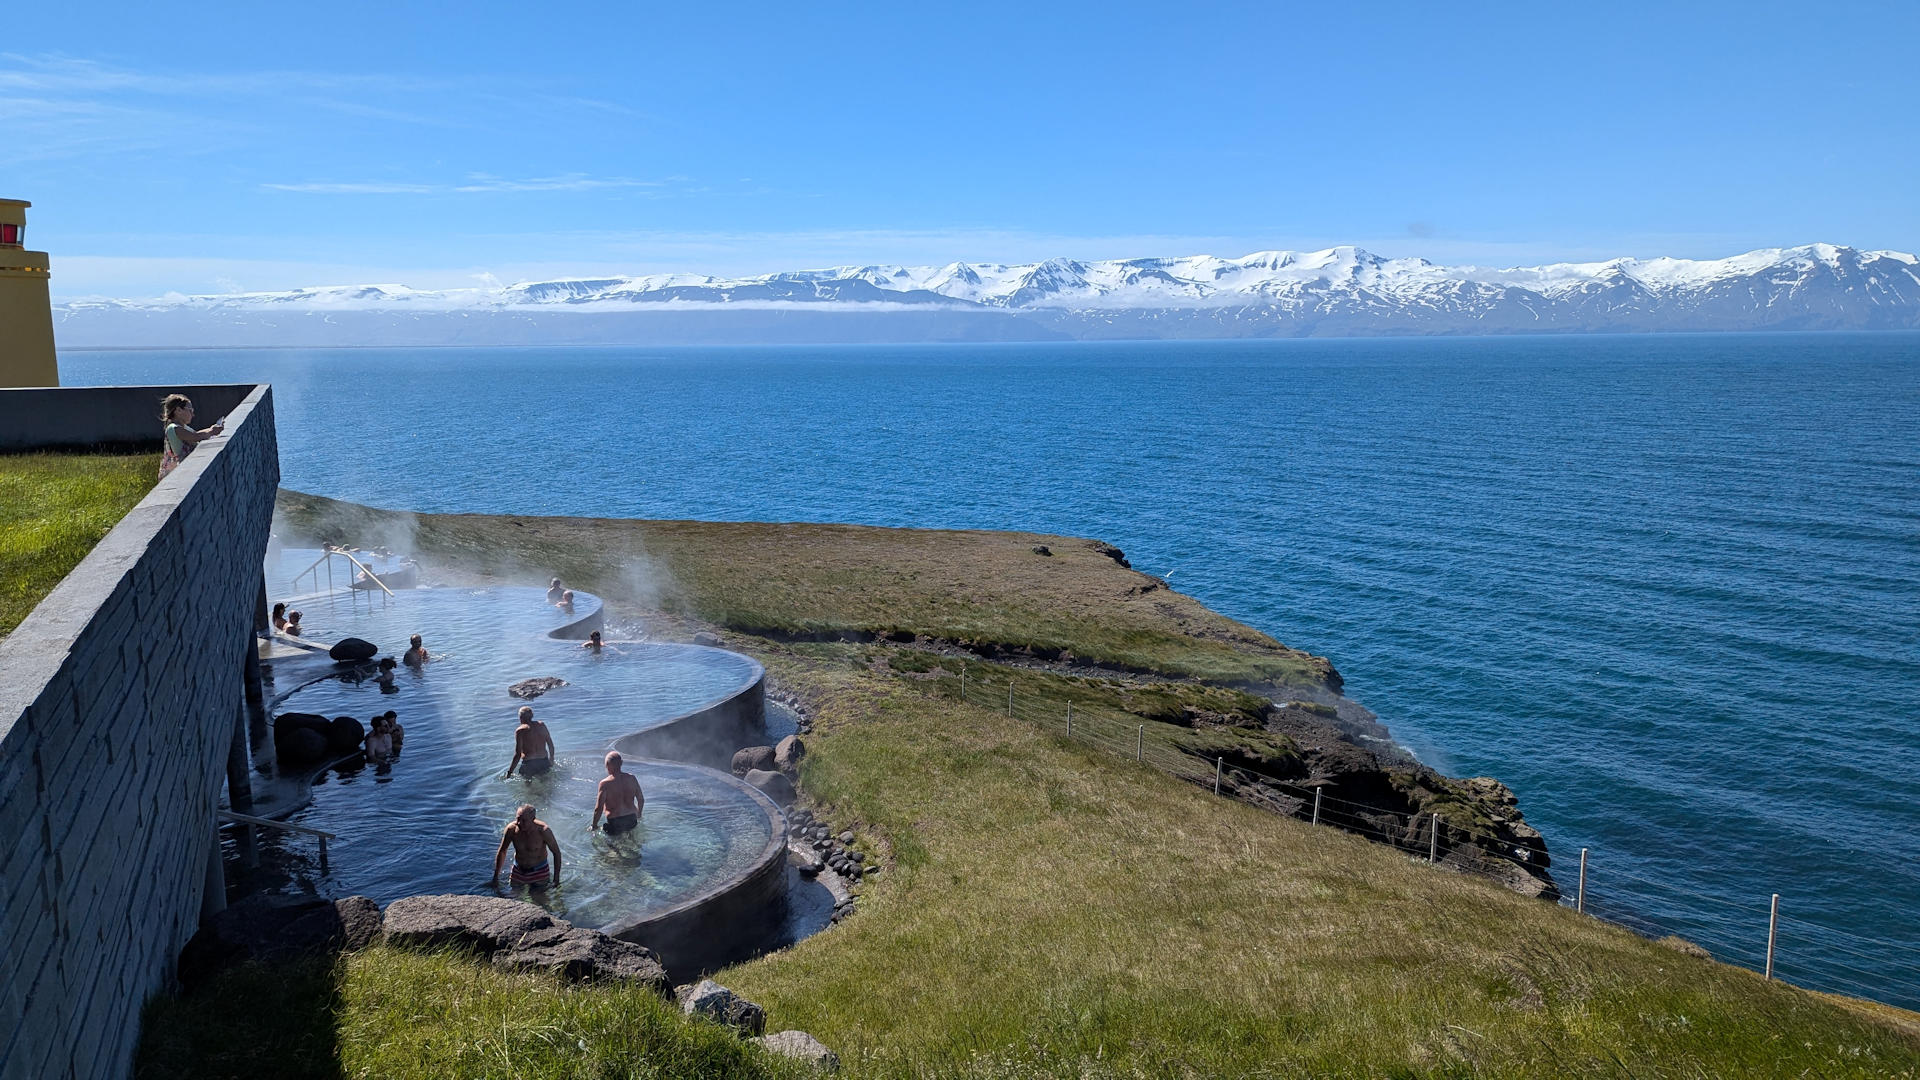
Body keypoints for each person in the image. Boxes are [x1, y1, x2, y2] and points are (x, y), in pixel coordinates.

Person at [492, 804, 562, 889]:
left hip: (539, 872)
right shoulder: (511, 830)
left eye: (524, 820)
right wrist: (496, 876)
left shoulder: (543, 831)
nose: (519, 823)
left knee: (539, 900)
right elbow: (503, 851)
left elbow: (556, 853)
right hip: (518, 870)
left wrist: (556, 879)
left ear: (533, 819)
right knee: (511, 899)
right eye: (518, 819)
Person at [157, 394, 224, 480]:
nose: (193, 414)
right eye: (190, 410)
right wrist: (212, 432)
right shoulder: (174, 428)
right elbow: (195, 437)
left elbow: (196, 433)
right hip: (177, 476)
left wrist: (211, 429)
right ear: (178, 410)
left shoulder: (182, 427)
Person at [591, 751, 645, 835]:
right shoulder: (632, 778)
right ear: (621, 763)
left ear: (608, 765)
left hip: (615, 822)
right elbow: (641, 799)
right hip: (632, 819)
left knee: (613, 847)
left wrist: (594, 825)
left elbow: (598, 809)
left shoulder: (605, 784)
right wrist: (639, 815)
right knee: (633, 843)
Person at [505, 705, 555, 777]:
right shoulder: (541, 725)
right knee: (546, 783)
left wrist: (510, 772)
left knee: (528, 787)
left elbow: (518, 754)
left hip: (529, 764)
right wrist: (551, 759)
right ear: (532, 716)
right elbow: (550, 744)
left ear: (520, 717)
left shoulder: (520, 731)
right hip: (544, 761)